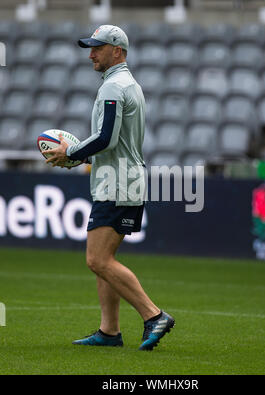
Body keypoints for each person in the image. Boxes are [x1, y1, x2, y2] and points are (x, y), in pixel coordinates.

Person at [43, 25, 175, 351]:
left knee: (97, 260)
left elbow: (106, 138)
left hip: (116, 183)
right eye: (91, 47)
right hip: (124, 180)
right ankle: (109, 331)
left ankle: (153, 315)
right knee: (106, 258)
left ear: (117, 51)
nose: (91, 54)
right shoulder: (128, 84)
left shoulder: (113, 87)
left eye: (98, 48)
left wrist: (69, 153)